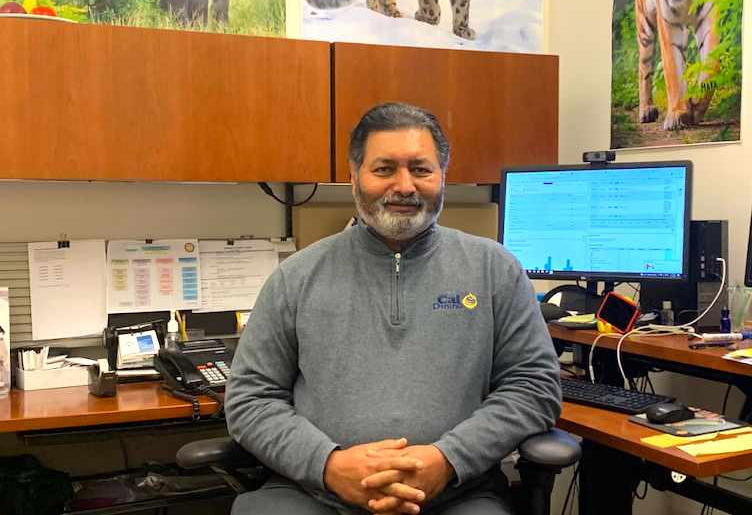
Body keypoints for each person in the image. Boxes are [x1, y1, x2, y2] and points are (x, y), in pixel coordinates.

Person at [225, 102, 561, 515]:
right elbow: (249, 399)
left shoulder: (495, 269)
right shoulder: (296, 277)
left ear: (442, 177)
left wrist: (448, 459)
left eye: (421, 169)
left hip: (456, 493)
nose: (404, 186)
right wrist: (328, 465)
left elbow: (534, 387)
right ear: (354, 179)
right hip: (316, 493)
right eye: (384, 169)